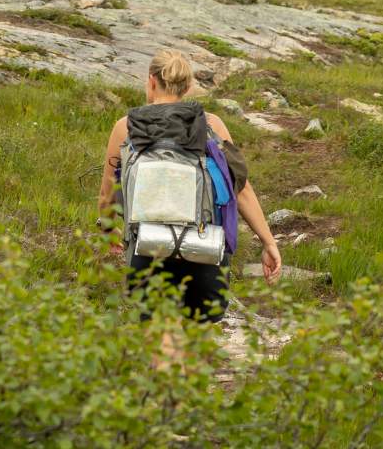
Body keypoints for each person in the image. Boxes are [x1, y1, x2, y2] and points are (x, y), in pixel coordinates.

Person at [98, 50, 282, 323]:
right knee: (197, 337)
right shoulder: (211, 125)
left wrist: (108, 230)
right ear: (188, 87)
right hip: (204, 249)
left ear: (150, 81)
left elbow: (107, 195)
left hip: (147, 248)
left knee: (158, 336)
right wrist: (269, 242)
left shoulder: (126, 127)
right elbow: (241, 190)